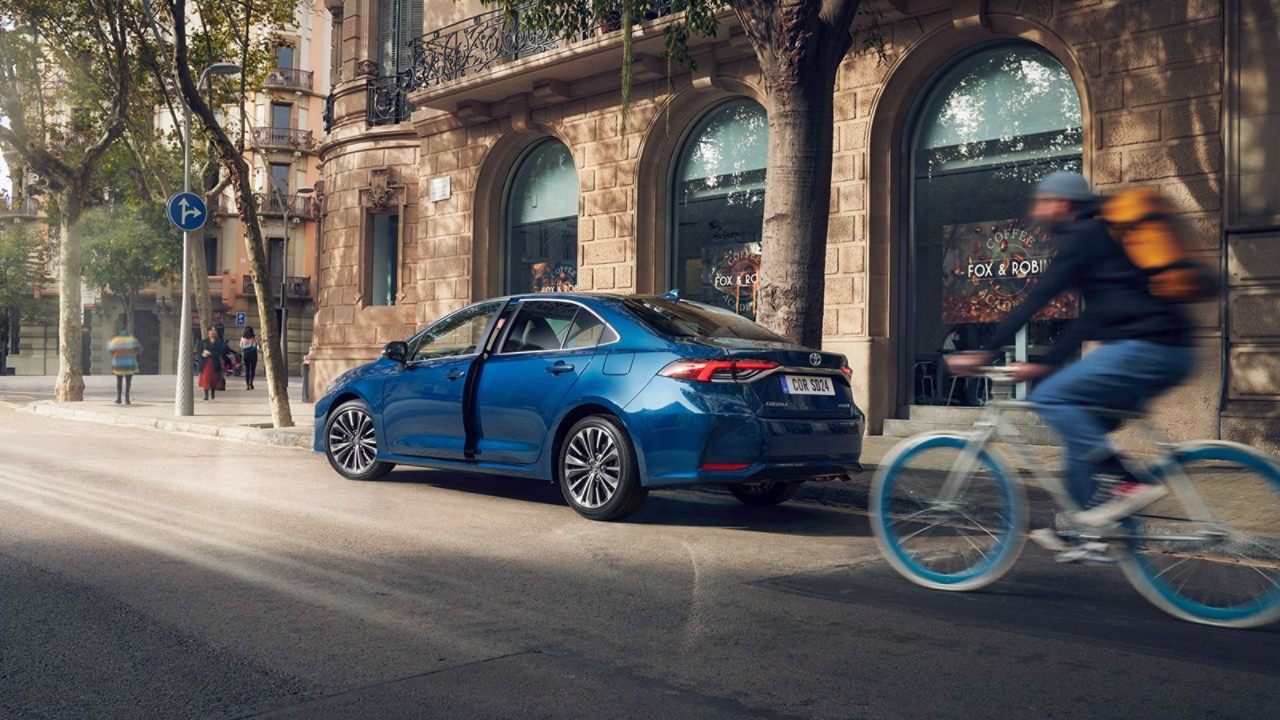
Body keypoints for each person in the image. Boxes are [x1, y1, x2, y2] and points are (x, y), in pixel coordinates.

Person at [947, 172, 1197, 562]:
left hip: (1149, 347)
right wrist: (1046, 362)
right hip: (1167, 348)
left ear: (1063, 204)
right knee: (1080, 432)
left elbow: (1035, 300)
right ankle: (1087, 531)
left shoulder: (1082, 236)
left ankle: (1131, 483)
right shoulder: (1100, 241)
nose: (1038, 209)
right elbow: (1090, 319)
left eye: (1043, 201)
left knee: (1051, 398)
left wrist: (986, 352)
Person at [107, 326, 142, 405]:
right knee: (128, 382)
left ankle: (119, 399)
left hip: (118, 364)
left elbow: (110, 349)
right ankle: (127, 399)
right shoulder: (132, 339)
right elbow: (139, 349)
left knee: (119, 382)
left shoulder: (115, 340)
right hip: (130, 363)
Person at [196, 327, 228, 401]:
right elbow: (199, 351)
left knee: (213, 378)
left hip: (214, 361)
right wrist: (202, 354)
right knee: (205, 378)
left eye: (214, 331)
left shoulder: (219, 342)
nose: (213, 332)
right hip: (205, 362)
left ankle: (212, 393)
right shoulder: (203, 342)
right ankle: (206, 395)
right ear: (208, 332)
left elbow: (221, 352)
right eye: (211, 330)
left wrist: (210, 354)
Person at [239, 326, 260, 390]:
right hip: (253, 354)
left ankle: (247, 385)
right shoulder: (254, 337)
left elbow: (241, 346)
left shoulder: (242, 338)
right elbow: (258, 344)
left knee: (247, 370)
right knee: (252, 369)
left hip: (246, 354)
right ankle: (251, 382)